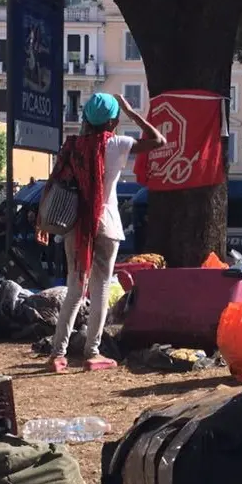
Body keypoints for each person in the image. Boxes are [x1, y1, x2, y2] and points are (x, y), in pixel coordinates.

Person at [41, 92, 165, 372]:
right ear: (113, 121)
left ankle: (57, 355)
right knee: (100, 290)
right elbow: (158, 140)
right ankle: (91, 353)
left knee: (74, 288)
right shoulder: (117, 144)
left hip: (75, 226)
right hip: (106, 224)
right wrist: (132, 112)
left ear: (85, 118)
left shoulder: (71, 146)